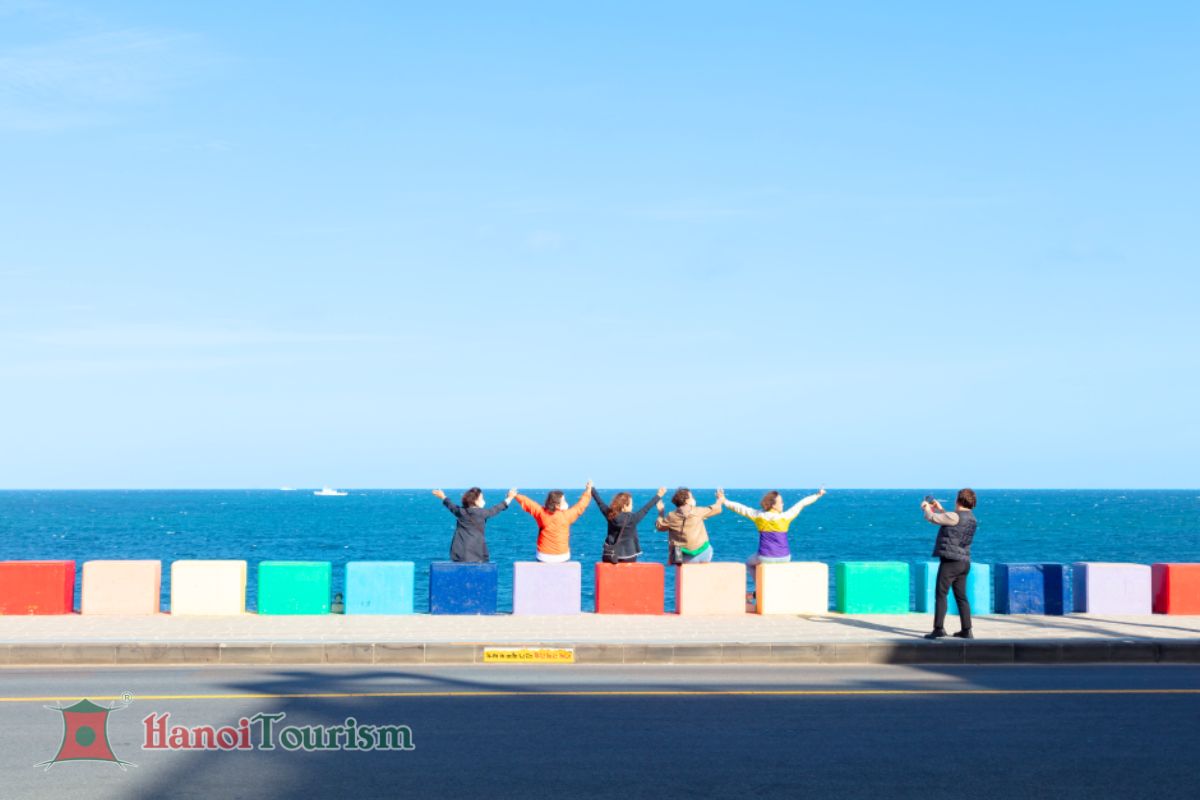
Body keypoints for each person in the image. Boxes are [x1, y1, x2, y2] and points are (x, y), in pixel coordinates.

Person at [726, 488, 826, 602]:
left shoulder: (759, 516)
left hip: (765, 557)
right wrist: (818, 495)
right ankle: (758, 593)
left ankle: (759, 589)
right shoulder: (786, 516)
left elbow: (740, 508)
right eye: (781, 502)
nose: (783, 504)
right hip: (784, 557)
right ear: (773, 505)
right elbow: (802, 503)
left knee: (749, 563)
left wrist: (724, 501)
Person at [922, 488, 978, 640]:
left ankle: (938, 629)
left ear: (958, 500)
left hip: (950, 562)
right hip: (964, 562)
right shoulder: (972, 518)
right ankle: (967, 630)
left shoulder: (954, 516)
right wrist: (941, 509)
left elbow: (932, 518)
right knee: (961, 597)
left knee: (941, 595)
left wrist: (927, 508)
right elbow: (952, 521)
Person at [432, 487, 518, 563]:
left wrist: (442, 496)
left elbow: (450, 504)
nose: (484, 501)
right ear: (475, 500)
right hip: (478, 554)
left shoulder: (460, 512)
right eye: (482, 498)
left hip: (459, 554)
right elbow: (498, 507)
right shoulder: (484, 513)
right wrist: (510, 497)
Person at [514, 482, 593, 562]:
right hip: (562, 556)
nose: (566, 502)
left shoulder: (541, 513)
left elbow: (528, 503)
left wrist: (515, 495)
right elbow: (581, 505)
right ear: (557, 505)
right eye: (563, 501)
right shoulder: (567, 516)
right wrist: (588, 490)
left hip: (543, 556)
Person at [591, 486, 667, 563]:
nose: (632, 506)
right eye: (631, 504)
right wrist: (659, 495)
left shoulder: (610, 515)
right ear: (624, 506)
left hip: (611, 555)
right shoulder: (633, 518)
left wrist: (592, 489)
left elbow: (600, 502)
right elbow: (646, 508)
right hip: (629, 557)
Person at [655, 487, 724, 564]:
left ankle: (674, 563)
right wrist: (720, 499)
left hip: (682, 557)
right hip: (703, 554)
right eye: (692, 497)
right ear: (687, 500)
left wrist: (661, 511)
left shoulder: (671, 516)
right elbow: (717, 509)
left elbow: (659, 526)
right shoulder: (698, 511)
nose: (694, 499)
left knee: (676, 548)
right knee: (707, 547)